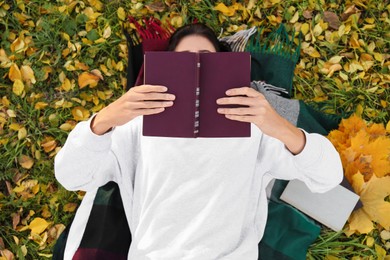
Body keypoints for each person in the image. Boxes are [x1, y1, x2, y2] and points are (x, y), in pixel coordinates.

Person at [55, 23, 343, 259]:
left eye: (208, 59)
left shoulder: (253, 128)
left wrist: (278, 125)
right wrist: (103, 120)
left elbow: (328, 177)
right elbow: (72, 176)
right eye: (183, 60)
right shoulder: (135, 126)